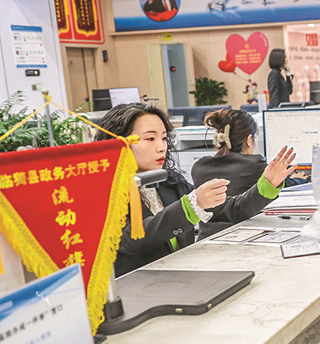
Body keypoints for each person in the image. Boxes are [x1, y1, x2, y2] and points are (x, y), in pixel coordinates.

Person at [94, 103, 296, 275]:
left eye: (164, 138)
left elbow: (233, 209)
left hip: (183, 276)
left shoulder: (169, 183)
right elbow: (133, 240)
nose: (161, 147)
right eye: (150, 139)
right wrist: (190, 206)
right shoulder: (103, 192)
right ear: (119, 143)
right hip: (140, 288)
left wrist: (267, 185)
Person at [192, 108, 292, 237]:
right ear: (249, 140)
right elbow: (285, 183)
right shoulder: (254, 165)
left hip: (204, 241)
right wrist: (300, 178)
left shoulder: (198, 167)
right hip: (245, 237)